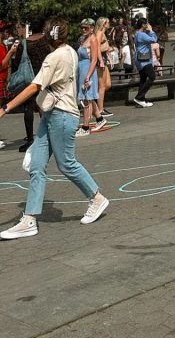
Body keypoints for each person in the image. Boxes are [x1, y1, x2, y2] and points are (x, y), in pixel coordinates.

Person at [0, 17, 109, 239]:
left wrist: (5, 108)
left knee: (66, 163)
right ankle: (29, 219)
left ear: (48, 37)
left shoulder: (54, 57)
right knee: (37, 166)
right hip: (54, 116)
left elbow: (34, 86)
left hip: (61, 116)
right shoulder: (69, 51)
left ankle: (96, 197)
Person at [6, 18, 51, 153]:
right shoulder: (46, 41)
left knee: (29, 107)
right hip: (44, 76)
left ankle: (30, 139)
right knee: (43, 104)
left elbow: (17, 62)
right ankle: (48, 135)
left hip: (28, 79)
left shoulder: (25, 43)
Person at [76, 20, 104, 136]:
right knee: (88, 98)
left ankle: (86, 127)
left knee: (86, 99)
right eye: (82, 27)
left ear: (92, 28)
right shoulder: (83, 39)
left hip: (88, 70)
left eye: (86, 28)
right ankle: (99, 119)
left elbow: (94, 60)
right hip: (82, 69)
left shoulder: (93, 39)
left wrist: (88, 76)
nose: (83, 30)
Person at [133, 19, 158, 108]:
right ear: (143, 25)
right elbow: (154, 39)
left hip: (140, 59)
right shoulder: (142, 35)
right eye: (147, 23)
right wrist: (151, 30)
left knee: (143, 79)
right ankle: (139, 97)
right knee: (152, 76)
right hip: (144, 60)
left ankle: (142, 100)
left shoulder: (137, 33)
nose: (148, 24)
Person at [93, 17, 113, 124]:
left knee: (107, 84)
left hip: (104, 59)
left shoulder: (103, 33)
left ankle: (97, 105)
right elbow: (96, 48)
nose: (109, 24)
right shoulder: (99, 33)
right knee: (102, 86)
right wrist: (101, 60)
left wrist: (108, 56)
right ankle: (100, 109)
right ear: (104, 23)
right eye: (108, 22)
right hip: (100, 61)